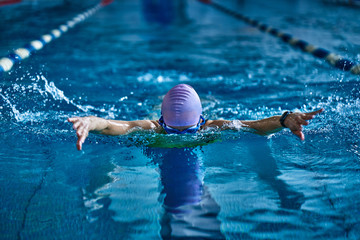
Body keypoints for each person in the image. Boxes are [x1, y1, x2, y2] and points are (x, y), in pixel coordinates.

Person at [68, 84, 323, 150]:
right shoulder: (152, 126)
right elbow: (113, 126)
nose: (180, 138)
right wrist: (89, 122)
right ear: (162, 123)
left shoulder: (211, 125)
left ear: (200, 123)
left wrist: (284, 119)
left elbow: (254, 126)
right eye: (173, 132)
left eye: (188, 131)